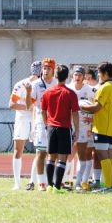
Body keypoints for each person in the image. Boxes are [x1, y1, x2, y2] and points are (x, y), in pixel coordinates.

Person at [41, 65, 80, 193]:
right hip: (64, 128)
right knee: (62, 158)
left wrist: (47, 124)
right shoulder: (70, 93)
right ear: (68, 76)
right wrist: (77, 130)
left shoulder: (47, 92)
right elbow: (75, 113)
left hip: (51, 127)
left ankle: (49, 185)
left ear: (55, 76)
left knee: (51, 157)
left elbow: (43, 111)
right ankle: (57, 187)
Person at [81, 62, 112, 190]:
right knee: (109, 154)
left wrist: (81, 106)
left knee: (103, 155)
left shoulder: (105, 87)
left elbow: (96, 108)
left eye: (99, 72)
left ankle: (108, 185)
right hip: (110, 126)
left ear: (106, 73)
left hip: (103, 125)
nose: (98, 74)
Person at [26, 58, 58, 191]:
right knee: (41, 152)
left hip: (54, 121)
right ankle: (41, 183)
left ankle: (54, 181)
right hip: (40, 121)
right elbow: (29, 105)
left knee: (54, 154)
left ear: (53, 70)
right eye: (44, 68)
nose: (45, 71)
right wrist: (28, 93)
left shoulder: (57, 83)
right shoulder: (36, 84)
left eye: (48, 68)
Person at [8, 61, 41, 190]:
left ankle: (32, 181)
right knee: (18, 151)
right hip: (22, 118)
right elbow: (11, 104)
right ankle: (17, 183)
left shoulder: (42, 85)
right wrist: (28, 107)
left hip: (37, 119)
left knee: (40, 150)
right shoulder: (21, 84)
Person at [66, 66, 96, 191]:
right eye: (75, 75)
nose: (77, 77)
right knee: (69, 154)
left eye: (80, 75)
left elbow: (97, 106)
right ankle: (65, 181)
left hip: (85, 126)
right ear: (72, 76)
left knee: (85, 154)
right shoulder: (68, 88)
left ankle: (82, 181)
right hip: (70, 125)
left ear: (84, 77)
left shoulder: (90, 90)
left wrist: (93, 119)